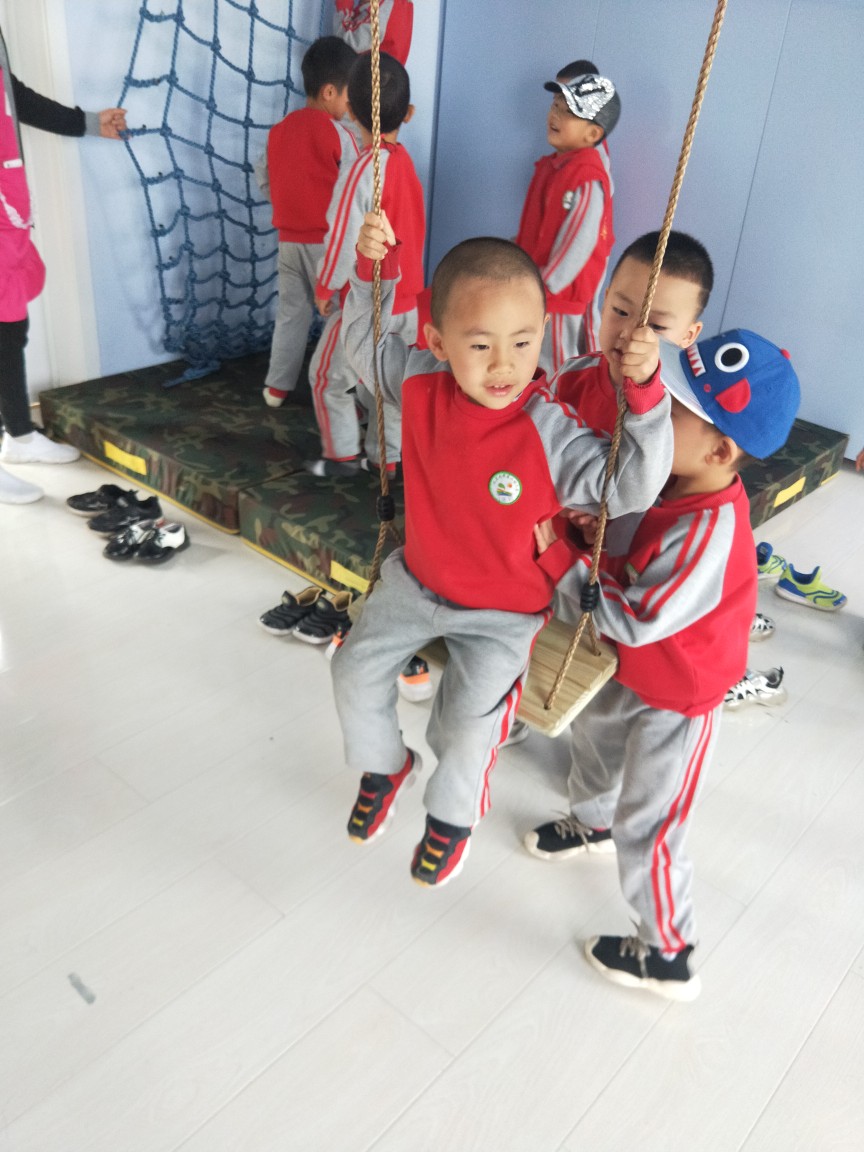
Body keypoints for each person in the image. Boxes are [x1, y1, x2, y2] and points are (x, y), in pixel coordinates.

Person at [330, 210, 674, 888]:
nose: (503, 365)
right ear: (437, 340)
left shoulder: (548, 430)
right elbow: (362, 348)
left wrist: (644, 394)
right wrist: (372, 270)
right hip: (415, 582)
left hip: (504, 613)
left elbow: (632, 483)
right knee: (351, 672)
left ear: (543, 333)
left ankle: (451, 817)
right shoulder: (420, 383)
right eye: (480, 344)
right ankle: (385, 767)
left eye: (522, 342)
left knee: (464, 724)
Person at [524, 328, 801, 1000]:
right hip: (633, 668)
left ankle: (667, 953)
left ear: (720, 450)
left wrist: (560, 560)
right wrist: (591, 537)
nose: (643, 413)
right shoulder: (671, 481)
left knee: (650, 824)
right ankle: (590, 821)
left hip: (680, 695)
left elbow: (634, 617)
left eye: (670, 409)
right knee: (593, 738)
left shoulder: (709, 529)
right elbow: (630, 555)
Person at [0, 23, 126, 505]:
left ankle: (18, 434)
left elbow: (13, 95)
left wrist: (88, 123)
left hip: (7, 198)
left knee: (10, 322)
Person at [305, 51, 424, 476]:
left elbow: (343, 237)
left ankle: (340, 455)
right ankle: (386, 459)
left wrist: (325, 286)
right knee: (388, 384)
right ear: (408, 113)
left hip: (367, 304)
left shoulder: (363, 170)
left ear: (351, 111)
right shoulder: (406, 165)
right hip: (407, 302)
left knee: (326, 377)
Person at [259, 36, 358, 408]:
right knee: (348, 312)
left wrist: (288, 205)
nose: (351, 104)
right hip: (328, 246)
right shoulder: (340, 134)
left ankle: (276, 387)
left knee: (291, 314)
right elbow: (357, 184)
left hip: (288, 241)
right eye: (350, 95)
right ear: (330, 92)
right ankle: (343, 387)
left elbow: (264, 175)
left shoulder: (278, 131)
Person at [515, 62, 619, 373]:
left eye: (569, 112)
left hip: (557, 296)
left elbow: (578, 242)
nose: (555, 115)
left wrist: (545, 286)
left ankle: (560, 401)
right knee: (538, 354)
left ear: (593, 133)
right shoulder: (556, 165)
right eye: (556, 106)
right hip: (538, 287)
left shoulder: (587, 177)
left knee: (557, 362)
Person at [332, 0, 414, 66]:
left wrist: (344, 5)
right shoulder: (400, 6)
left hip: (364, 77)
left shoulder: (384, 11)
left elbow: (344, 43)